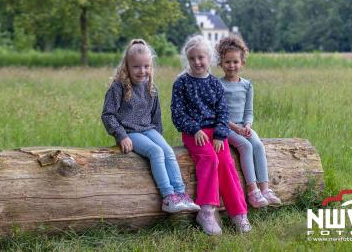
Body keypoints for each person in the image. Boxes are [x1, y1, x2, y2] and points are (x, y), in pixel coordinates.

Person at [101, 39, 199, 214]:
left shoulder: (151, 88)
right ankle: (168, 197)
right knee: (156, 152)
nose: (142, 71)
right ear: (127, 67)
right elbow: (108, 115)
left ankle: (181, 193)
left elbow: (156, 117)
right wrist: (121, 135)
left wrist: (159, 137)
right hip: (130, 132)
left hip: (148, 130)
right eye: (136, 67)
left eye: (146, 66)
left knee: (167, 150)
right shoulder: (118, 88)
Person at [171, 35, 252, 235]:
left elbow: (223, 112)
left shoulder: (215, 84)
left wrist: (220, 133)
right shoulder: (181, 83)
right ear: (187, 60)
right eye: (192, 59)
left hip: (215, 133)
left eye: (201, 57)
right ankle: (206, 210)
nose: (197, 62)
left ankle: (239, 213)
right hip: (194, 133)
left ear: (209, 58)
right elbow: (177, 114)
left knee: (225, 162)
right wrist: (194, 129)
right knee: (209, 159)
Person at [216, 35, 281, 208]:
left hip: (243, 126)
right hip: (226, 126)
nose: (231, 66)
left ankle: (265, 189)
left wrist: (247, 125)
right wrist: (236, 128)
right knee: (246, 146)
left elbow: (249, 111)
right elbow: (218, 114)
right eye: (227, 62)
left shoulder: (247, 85)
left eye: (235, 62)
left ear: (242, 63)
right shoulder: (217, 85)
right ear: (221, 63)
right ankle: (253, 191)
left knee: (258, 145)